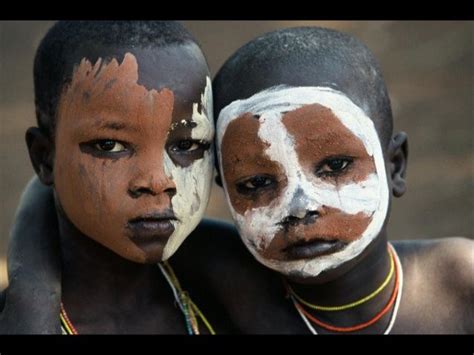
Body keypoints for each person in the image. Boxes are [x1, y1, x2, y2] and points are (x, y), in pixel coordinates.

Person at [211, 26, 474, 334]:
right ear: (226, 192)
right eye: (257, 183)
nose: (300, 208)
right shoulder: (211, 289)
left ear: (395, 167)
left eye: (335, 166)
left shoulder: (461, 287)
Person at [0, 20, 239, 334]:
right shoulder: (18, 322)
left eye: (186, 145)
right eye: (109, 146)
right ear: (45, 158)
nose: (156, 181)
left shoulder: (239, 303)